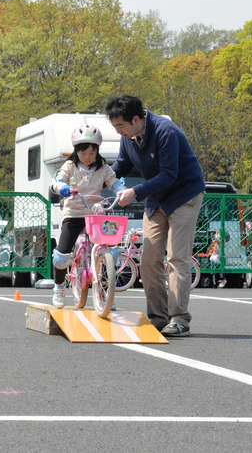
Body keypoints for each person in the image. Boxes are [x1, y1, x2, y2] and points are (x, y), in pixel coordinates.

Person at [103, 95, 205, 337]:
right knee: (149, 260)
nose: (119, 131)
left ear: (136, 119)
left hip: (184, 196)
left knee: (177, 258)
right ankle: (158, 319)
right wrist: (98, 179)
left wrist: (135, 192)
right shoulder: (128, 138)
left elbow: (169, 175)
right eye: (115, 127)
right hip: (157, 198)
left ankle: (179, 318)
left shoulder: (165, 132)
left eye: (120, 126)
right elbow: (122, 165)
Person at [50, 125, 126, 308]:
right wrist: (62, 188)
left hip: (95, 215)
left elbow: (114, 182)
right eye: (84, 153)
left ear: (97, 151)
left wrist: (121, 190)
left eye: (92, 153)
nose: (88, 157)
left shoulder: (103, 168)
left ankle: (105, 294)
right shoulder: (69, 166)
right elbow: (57, 181)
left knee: (107, 252)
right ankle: (59, 286)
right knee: (61, 257)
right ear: (77, 151)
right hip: (74, 214)